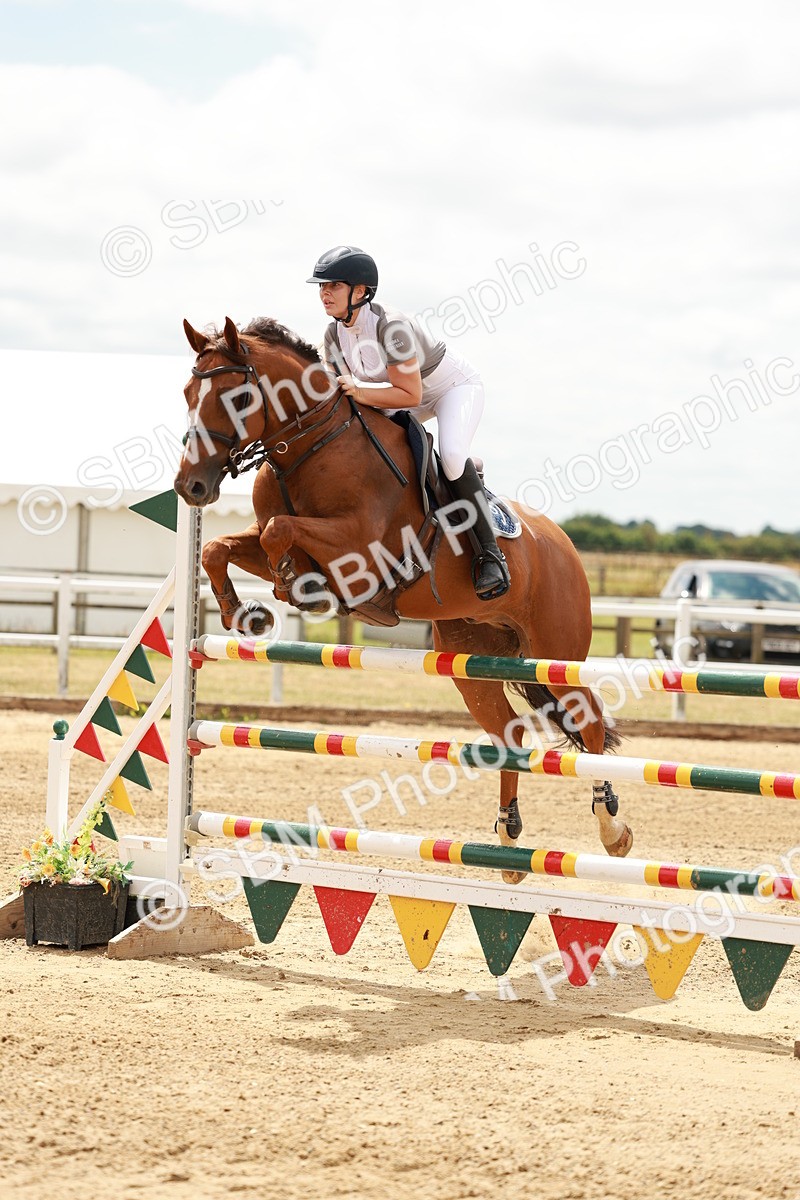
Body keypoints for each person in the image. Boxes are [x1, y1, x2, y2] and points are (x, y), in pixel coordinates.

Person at [307, 244, 510, 601]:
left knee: (449, 454)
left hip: (450, 390)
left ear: (360, 291)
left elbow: (410, 395)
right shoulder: (331, 336)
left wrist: (359, 389)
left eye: (334, 285)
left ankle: (490, 555)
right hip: (395, 396)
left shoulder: (391, 326)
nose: (324, 292)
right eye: (322, 286)